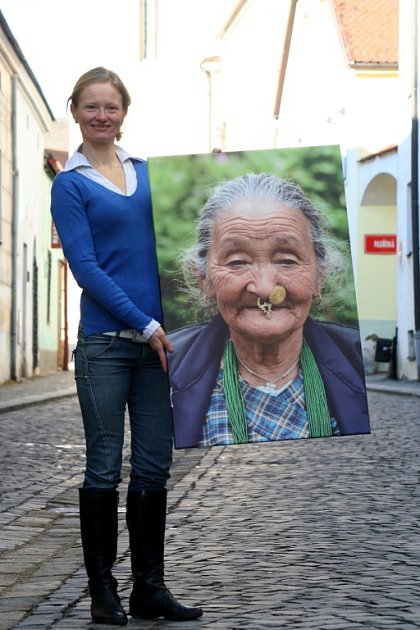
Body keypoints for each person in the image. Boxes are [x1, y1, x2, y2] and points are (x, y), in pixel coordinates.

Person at [50, 67, 203, 625]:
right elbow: (86, 268)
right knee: (102, 468)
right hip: (107, 348)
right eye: (90, 107)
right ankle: (102, 592)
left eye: (110, 107)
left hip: (159, 345)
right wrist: (144, 322)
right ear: (75, 112)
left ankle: (149, 589)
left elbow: (185, 239)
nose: (101, 115)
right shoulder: (70, 183)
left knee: (154, 467)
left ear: (123, 112)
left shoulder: (147, 173)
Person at [167, 172, 370, 448]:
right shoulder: (165, 369)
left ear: (318, 277)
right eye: (238, 262)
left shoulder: (358, 362)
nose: (264, 289)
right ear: (205, 280)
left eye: (287, 261)